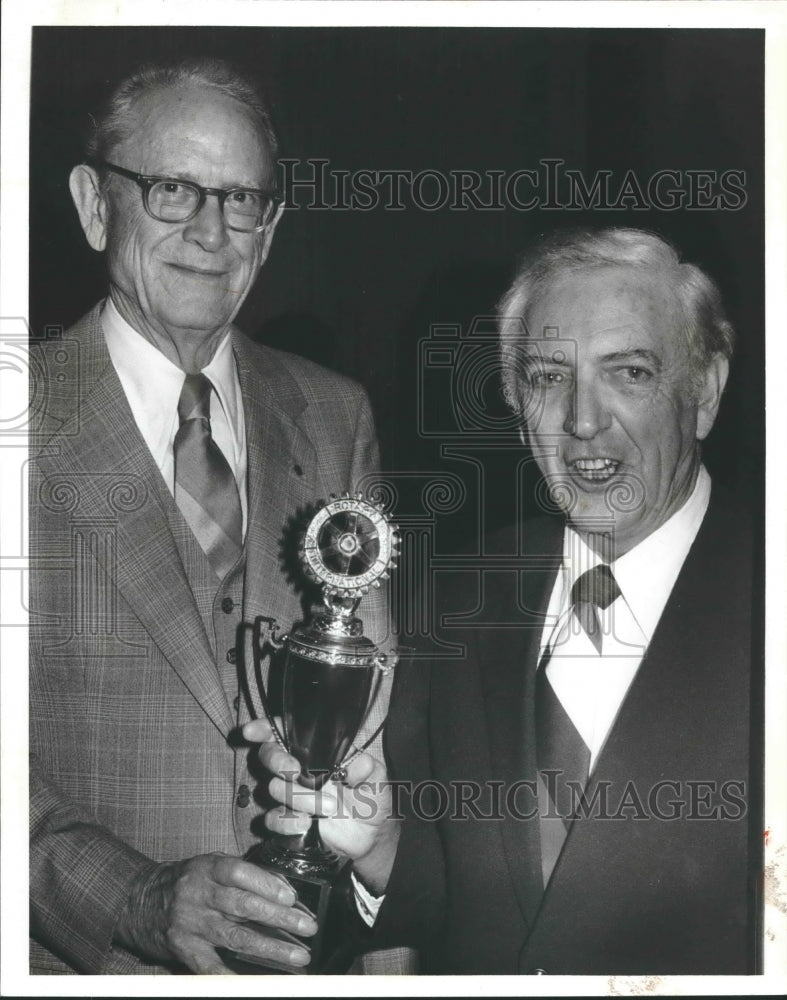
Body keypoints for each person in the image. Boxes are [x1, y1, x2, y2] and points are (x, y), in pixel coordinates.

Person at [251, 227, 758, 974]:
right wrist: (385, 845)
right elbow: (464, 906)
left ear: (705, 391)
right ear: (517, 400)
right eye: (550, 376)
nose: (583, 421)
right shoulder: (456, 599)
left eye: (630, 373)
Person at [29, 57, 396, 975]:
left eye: (242, 200)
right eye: (170, 189)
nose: (210, 229)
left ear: (268, 230)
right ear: (91, 203)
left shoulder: (334, 411)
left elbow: (375, 726)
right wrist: (136, 898)